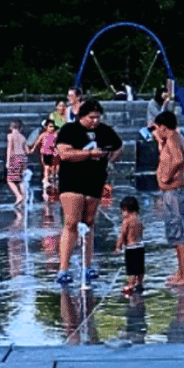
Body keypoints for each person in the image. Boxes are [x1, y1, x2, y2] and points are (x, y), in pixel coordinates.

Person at [54, 99, 123, 285]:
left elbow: (118, 146)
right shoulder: (69, 130)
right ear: (82, 116)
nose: (95, 121)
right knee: (71, 222)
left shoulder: (105, 131)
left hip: (95, 180)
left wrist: (109, 161)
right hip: (72, 180)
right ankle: (63, 268)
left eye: (98, 117)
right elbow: (64, 153)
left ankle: (87, 264)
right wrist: (89, 155)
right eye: (91, 117)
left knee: (90, 222)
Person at [152, 110, 184, 287]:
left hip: (175, 191)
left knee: (179, 233)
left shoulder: (172, 138)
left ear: (163, 127)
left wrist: (168, 176)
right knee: (177, 231)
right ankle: (181, 271)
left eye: (157, 128)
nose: (156, 131)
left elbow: (178, 159)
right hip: (180, 190)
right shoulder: (179, 138)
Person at [115, 195, 145, 296]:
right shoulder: (138, 218)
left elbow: (122, 234)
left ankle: (130, 285)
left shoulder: (127, 221)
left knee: (132, 269)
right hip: (140, 246)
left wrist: (118, 247)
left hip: (131, 248)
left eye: (122, 211)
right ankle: (139, 283)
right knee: (140, 268)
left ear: (126, 209)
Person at [30, 118, 60, 200]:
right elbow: (37, 142)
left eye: (53, 127)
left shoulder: (55, 135)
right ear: (46, 127)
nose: (52, 128)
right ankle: (46, 180)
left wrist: (56, 149)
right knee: (46, 167)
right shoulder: (43, 135)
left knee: (53, 167)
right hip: (45, 153)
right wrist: (33, 149)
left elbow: (57, 144)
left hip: (53, 153)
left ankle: (52, 178)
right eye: (50, 126)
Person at [5, 120, 29, 205]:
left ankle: (19, 196)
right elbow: (27, 151)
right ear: (20, 128)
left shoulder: (10, 136)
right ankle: (24, 198)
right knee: (20, 179)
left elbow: (9, 149)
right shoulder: (23, 137)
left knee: (10, 180)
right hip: (23, 158)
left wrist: (8, 161)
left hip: (15, 157)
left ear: (11, 128)